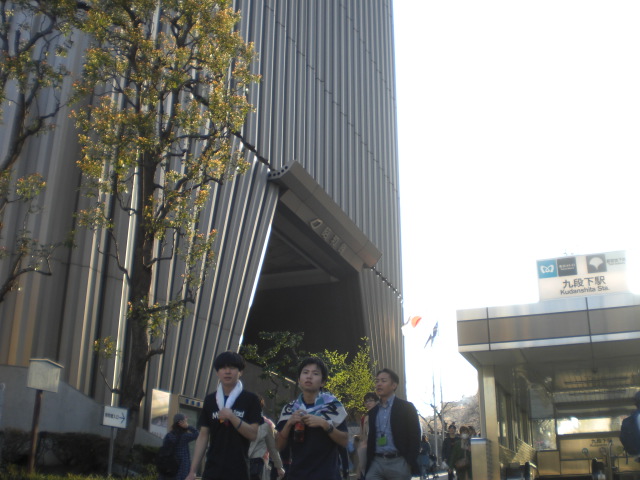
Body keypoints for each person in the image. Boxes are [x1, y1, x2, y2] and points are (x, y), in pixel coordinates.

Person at [186, 351, 263, 480]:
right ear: (217, 372)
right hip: (212, 470)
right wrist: (192, 471)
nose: (227, 371)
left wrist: (232, 417)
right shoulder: (210, 400)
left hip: (238, 471)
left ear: (240, 372)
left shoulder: (251, 399)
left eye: (232, 367)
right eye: (222, 368)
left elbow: (253, 434)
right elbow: (203, 435)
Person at [275, 356, 349, 480]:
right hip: (297, 475)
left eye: (315, 373)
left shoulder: (333, 406)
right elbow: (278, 446)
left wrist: (325, 424)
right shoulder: (289, 409)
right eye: (305, 372)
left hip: (327, 475)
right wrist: (288, 424)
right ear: (299, 379)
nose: (309, 376)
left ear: (323, 382)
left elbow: (345, 441)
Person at [364, 368, 421, 480]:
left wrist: (409, 462)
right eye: (377, 381)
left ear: (394, 385)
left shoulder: (406, 407)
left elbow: (415, 436)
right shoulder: (373, 411)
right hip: (376, 462)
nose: (379, 384)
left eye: (383, 381)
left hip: (399, 462)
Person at [248, 396, 285, 480]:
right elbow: (272, 448)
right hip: (257, 465)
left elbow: (272, 448)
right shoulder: (266, 425)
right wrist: (279, 467)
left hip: (247, 464)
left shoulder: (240, 423)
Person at [160, 413, 199, 480]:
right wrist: (188, 426)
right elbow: (197, 434)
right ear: (181, 423)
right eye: (185, 421)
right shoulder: (184, 436)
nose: (186, 423)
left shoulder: (168, 435)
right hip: (182, 471)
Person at [356, 392, 378, 479]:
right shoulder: (364, 418)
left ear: (376, 402)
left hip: (379, 451)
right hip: (366, 451)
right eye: (366, 401)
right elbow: (362, 437)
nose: (368, 403)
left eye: (371, 401)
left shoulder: (381, 415)